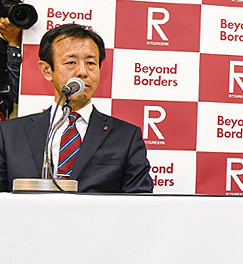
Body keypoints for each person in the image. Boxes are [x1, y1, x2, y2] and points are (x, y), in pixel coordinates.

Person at [0, 23, 153, 193]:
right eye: (71, 62)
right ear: (47, 70)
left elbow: (139, 203)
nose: (82, 72)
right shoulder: (10, 135)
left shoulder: (126, 137)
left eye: (91, 63)